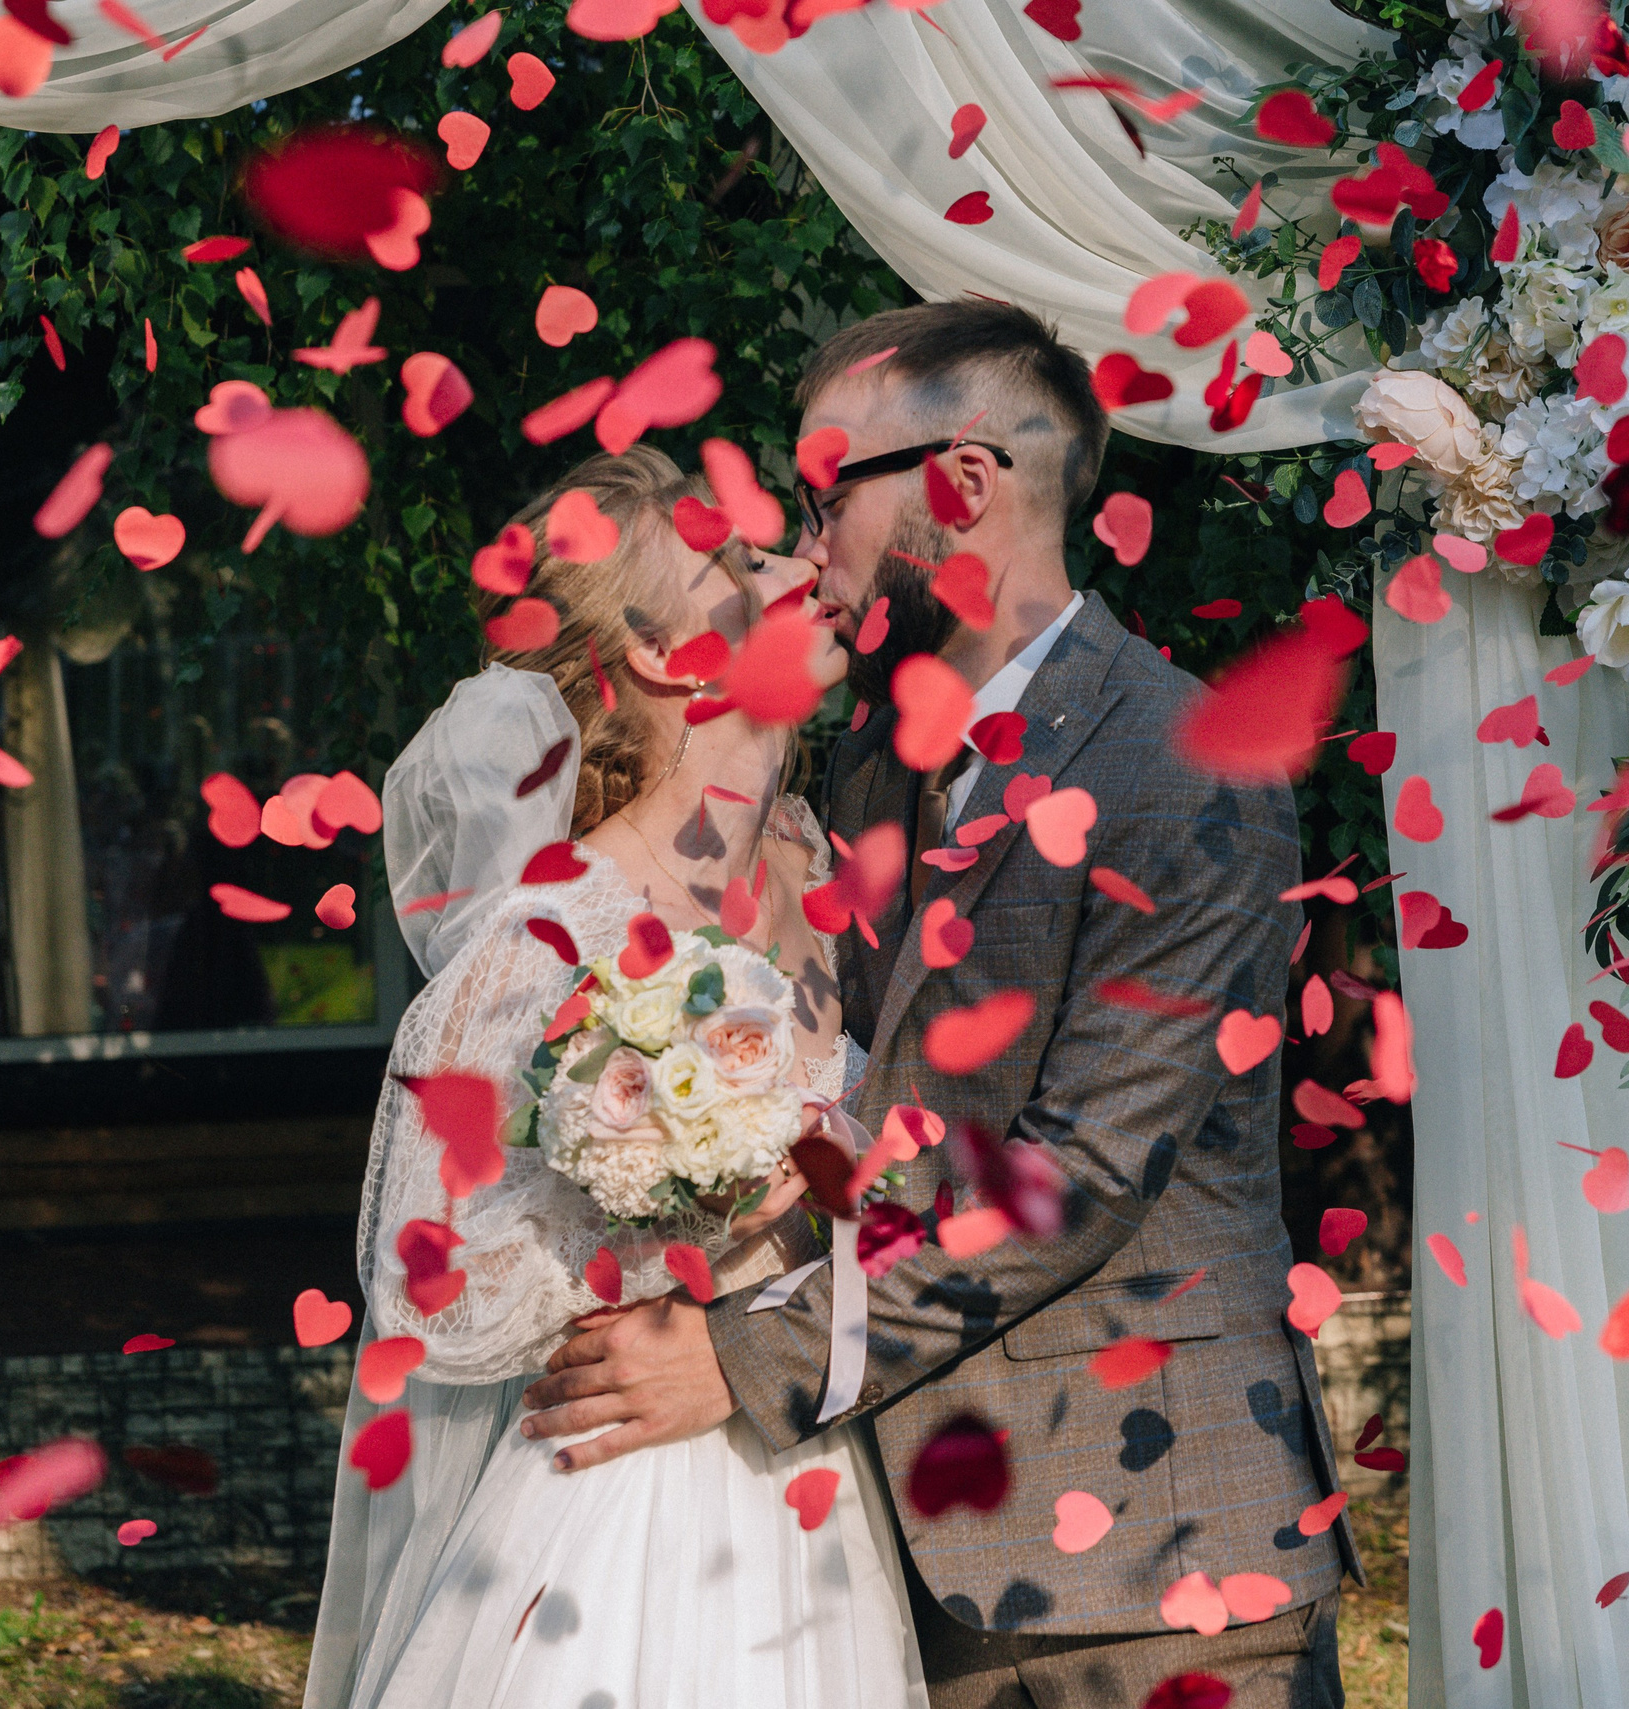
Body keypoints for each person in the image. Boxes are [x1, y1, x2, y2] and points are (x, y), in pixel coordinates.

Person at [515, 301, 1359, 1708]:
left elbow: (1081, 1170)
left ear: (959, 489)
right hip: (913, 1552)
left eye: (826, 490)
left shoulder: (1187, 763)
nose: (804, 540)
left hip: (1160, 1567)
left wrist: (743, 1358)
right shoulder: (863, 778)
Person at [301, 445, 929, 1709]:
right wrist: (687, 1205)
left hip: (821, 1472)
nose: (807, 565)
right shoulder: (551, 928)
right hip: (627, 1499)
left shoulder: (842, 860)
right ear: (662, 652)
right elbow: (439, 1288)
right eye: (743, 561)